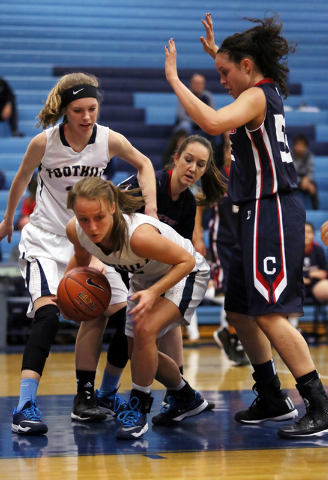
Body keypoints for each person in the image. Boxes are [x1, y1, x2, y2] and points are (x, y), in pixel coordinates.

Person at [164, 13, 328, 438]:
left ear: (248, 67)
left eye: (225, 72)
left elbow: (214, 123)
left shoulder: (256, 96)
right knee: (239, 308)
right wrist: (219, 53)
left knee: (272, 315)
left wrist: (176, 81)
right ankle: (272, 396)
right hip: (254, 212)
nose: (221, 80)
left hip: (273, 211)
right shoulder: (256, 91)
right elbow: (233, 83)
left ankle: (319, 403)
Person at [0, 72, 158, 435]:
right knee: (48, 316)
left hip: (89, 239)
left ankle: (93, 396)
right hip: (45, 240)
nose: (87, 117)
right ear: (65, 111)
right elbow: (21, 178)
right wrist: (7, 221)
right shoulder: (44, 142)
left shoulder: (108, 139)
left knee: (124, 318)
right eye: (79, 110)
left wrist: (152, 212)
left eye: (92, 109)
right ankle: (24, 405)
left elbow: (144, 164)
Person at [64, 175, 212, 440]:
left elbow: (186, 261)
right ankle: (186, 397)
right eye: (84, 219)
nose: (92, 227)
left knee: (144, 330)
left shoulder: (138, 236)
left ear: (112, 207)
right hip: (146, 278)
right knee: (138, 352)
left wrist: (154, 293)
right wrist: (65, 293)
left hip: (186, 272)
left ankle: (138, 409)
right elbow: (82, 257)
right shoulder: (75, 230)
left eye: (98, 217)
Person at [93, 135, 225, 416]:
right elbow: (103, 211)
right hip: (118, 260)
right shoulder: (149, 182)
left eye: (200, 165)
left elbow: (182, 254)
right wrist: (95, 258)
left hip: (153, 269)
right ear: (176, 158)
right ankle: (109, 392)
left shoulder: (188, 204)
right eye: (188, 160)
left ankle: (174, 393)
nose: (192, 168)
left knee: (154, 328)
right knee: (133, 329)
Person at [193, 133, 249, 366]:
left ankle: (229, 334)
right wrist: (198, 235)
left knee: (242, 292)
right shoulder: (216, 177)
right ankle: (232, 336)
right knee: (229, 289)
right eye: (229, 150)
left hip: (246, 240)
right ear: (225, 153)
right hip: (222, 242)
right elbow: (199, 204)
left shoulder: (248, 176)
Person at [173, 74, 215, 138]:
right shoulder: (183, 95)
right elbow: (181, 116)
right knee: (184, 125)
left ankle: (216, 147)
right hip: (189, 124)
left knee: (216, 127)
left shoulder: (208, 97)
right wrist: (198, 121)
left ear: (204, 85)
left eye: (201, 83)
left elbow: (213, 114)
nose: (198, 85)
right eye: (196, 83)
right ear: (191, 84)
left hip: (204, 125)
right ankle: (183, 147)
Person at [291, 134, 318, 210]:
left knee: (313, 187)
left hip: (306, 179)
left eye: (302, 145)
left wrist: (307, 179)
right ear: (294, 146)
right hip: (293, 180)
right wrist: (301, 181)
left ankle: (315, 209)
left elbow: (311, 170)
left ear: (306, 147)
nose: (299, 148)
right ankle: (293, 210)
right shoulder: (288, 154)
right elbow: (291, 172)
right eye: (298, 145)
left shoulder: (309, 155)